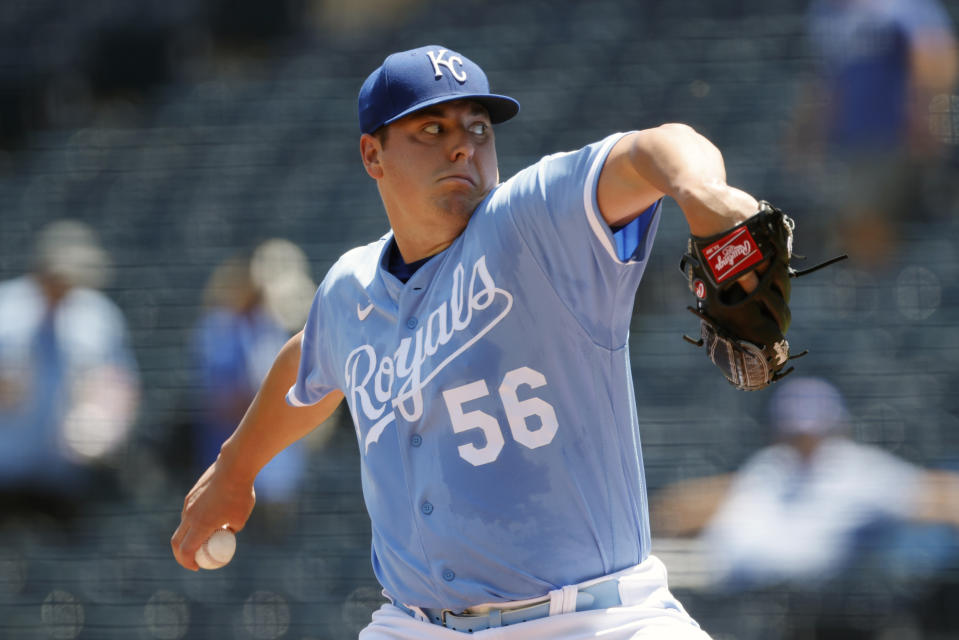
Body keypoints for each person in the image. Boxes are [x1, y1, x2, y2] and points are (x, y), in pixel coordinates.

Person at [171, 44, 782, 639]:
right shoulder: (350, 289)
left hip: (598, 618)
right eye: (431, 129)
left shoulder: (533, 219)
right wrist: (235, 468)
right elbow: (309, 364)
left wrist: (700, 192)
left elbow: (658, 145)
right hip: (415, 624)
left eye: (478, 127)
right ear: (372, 154)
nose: (463, 143)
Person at [785, 0, 958, 270]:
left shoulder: (904, 6)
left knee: (872, 223)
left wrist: (927, 118)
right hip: (848, 146)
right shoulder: (826, 11)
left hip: (894, 142)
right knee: (853, 226)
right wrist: (808, 135)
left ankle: (881, 293)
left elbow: (934, 54)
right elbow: (824, 82)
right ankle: (869, 292)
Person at [0, 220, 139, 530]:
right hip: (5, 470)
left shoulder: (97, 315)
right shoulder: (6, 308)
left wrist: (106, 424)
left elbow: (119, 386)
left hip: (65, 474)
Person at [189, 239, 317, 541]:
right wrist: (271, 395)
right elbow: (219, 399)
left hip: (279, 476)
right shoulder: (217, 328)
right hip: (226, 475)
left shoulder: (273, 326)